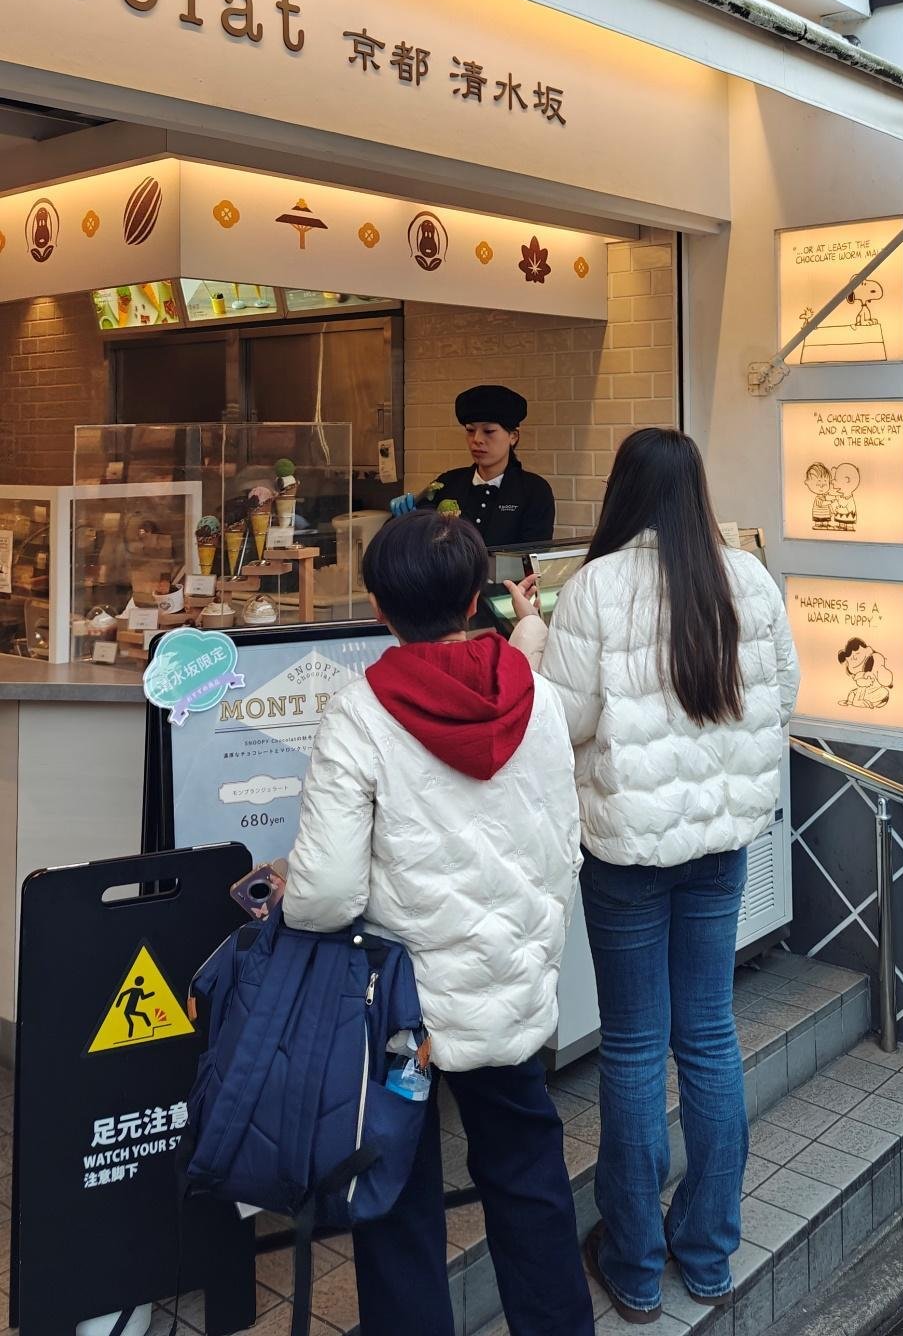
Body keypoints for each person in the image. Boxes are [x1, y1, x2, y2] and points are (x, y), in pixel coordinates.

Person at [507, 428, 800, 1323]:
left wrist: (527, 631)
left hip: (628, 852)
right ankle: (708, 1249)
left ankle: (633, 1265)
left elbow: (564, 721)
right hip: (720, 846)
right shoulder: (746, 578)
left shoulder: (593, 588)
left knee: (635, 1050)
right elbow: (781, 694)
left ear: (624, 494)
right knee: (708, 1037)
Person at [283, 511, 592, 1336]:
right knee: (529, 1177)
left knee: (395, 1201)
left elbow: (324, 898)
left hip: (398, 1015)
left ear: (378, 606)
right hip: (512, 984)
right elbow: (567, 841)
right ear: (473, 598)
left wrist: (280, 885)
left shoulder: (358, 712)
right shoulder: (540, 698)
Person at [390, 384, 555, 546]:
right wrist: (405, 520)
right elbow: (418, 541)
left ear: (513, 436)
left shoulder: (534, 491)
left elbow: (534, 556)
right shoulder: (447, 483)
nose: (476, 439)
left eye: (489, 431)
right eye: (470, 430)